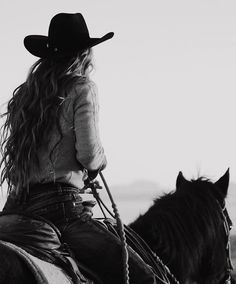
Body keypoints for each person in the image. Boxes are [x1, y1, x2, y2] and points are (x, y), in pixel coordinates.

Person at [0, 13, 160, 284]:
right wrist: (99, 163)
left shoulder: (26, 96)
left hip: (13, 210)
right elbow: (89, 154)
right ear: (84, 54)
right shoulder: (82, 88)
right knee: (143, 278)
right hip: (60, 211)